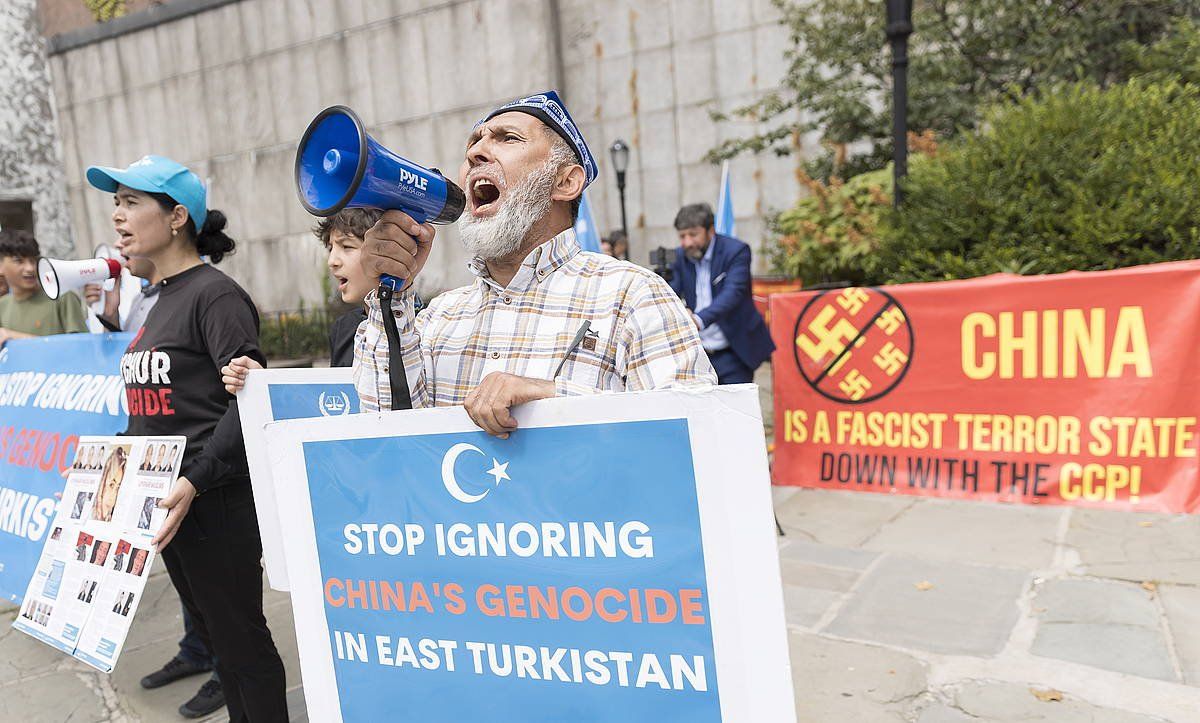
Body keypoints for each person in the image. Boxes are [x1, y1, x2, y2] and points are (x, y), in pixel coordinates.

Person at [354, 90, 714, 428]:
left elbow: (696, 429)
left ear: (566, 183)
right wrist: (392, 297)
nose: (475, 154)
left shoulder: (633, 297)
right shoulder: (437, 318)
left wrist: (550, 399)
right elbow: (384, 425)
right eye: (473, 144)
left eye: (507, 138)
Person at [86, 154, 285, 722]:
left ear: (176, 217)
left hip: (212, 500)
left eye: (131, 202)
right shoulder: (157, 299)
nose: (118, 216)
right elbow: (153, 413)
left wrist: (195, 480)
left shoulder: (214, 295)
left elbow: (250, 403)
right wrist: (105, 480)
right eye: (115, 203)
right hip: (168, 503)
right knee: (220, 644)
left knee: (243, 648)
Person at [220, 208, 384, 391]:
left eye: (347, 246)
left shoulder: (418, 326)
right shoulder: (344, 328)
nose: (332, 261)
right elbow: (333, 400)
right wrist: (261, 381)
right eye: (331, 248)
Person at [668, 203, 775, 385]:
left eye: (693, 234)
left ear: (710, 231)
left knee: (737, 410)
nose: (687, 242)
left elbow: (733, 293)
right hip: (697, 354)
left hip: (733, 350)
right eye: (682, 236)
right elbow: (671, 291)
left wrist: (698, 320)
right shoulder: (679, 255)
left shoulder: (736, 251)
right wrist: (680, 310)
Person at [0, 229, 88, 343]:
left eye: (33, 260)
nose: (30, 268)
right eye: (19, 261)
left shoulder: (63, 296)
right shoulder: (2, 306)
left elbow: (81, 346)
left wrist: (15, 337)